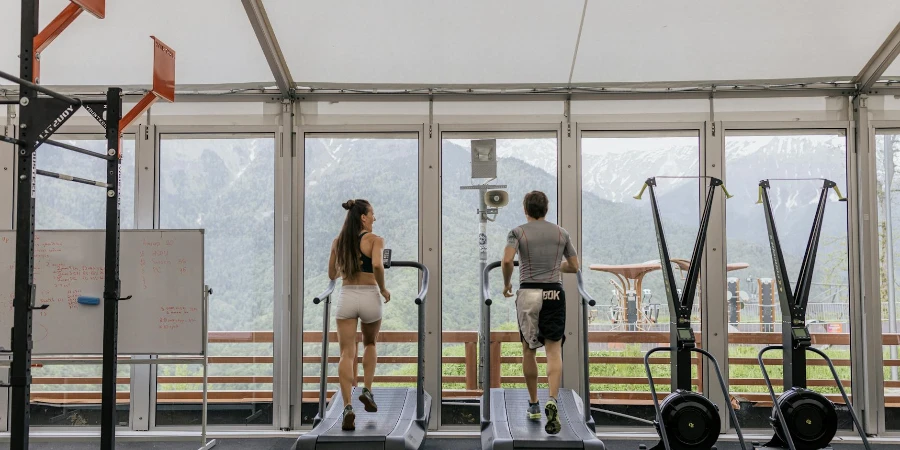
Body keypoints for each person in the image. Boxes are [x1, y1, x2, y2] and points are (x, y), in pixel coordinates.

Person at [502, 191, 579, 435]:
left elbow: (506, 261)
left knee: (529, 350)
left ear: (526, 209)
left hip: (529, 294)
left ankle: (534, 404)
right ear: (546, 209)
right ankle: (552, 399)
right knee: (553, 351)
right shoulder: (561, 233)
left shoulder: (517, 232)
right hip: (554, 293)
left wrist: (506, 284)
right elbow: (574, 266)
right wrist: (557, 266)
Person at [328, 199, 391, 431]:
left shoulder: (338, 242)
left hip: (347, 295)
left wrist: (346, 263)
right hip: (370, 296)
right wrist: (383, 288)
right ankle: (367, 389)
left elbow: (331, 273)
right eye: (372, 213)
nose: (375, 218)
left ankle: (347, 406)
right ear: (363, 217)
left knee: (346, 352)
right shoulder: (375, 240)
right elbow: (377, 265)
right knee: (370, 343)